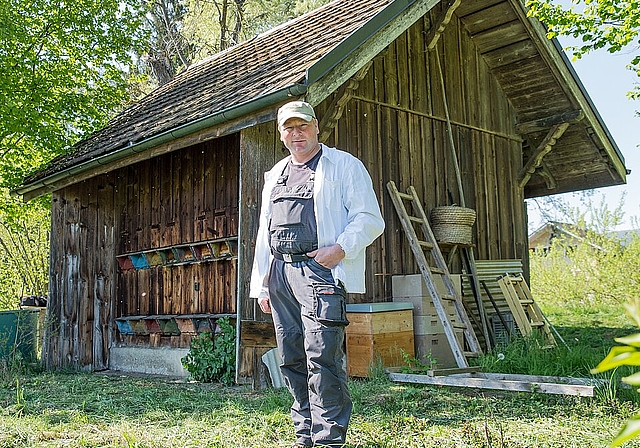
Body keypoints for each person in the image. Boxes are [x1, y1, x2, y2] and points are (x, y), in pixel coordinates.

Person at [249, 100, 385, 447]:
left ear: (316, 127)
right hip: (280, 273)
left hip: (320, 273)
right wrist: (263, 283)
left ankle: (329, 440)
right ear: (281, 134)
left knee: (322, 356)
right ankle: (305, 435)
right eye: (289, 128)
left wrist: (339, 249)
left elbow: (370, 218)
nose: (297, 135)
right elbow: (265, 231)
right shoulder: (275, 173)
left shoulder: (343, 165)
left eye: (302, 126)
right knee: (291, 356)